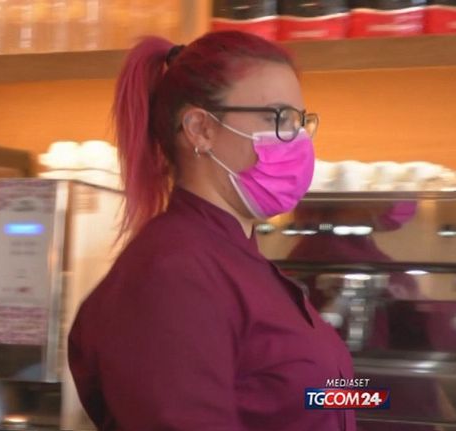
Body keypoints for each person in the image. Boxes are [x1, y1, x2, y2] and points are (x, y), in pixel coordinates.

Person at [68, 31, 356, 430]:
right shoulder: (174, 275)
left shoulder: (238, 259)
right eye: (278, 118)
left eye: (300, 122)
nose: (298, 141)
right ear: (200, 129)